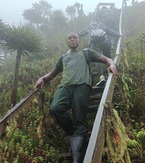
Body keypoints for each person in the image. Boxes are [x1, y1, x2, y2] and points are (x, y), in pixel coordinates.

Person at [34, 32, 118, 163]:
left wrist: (111, 65)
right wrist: (42, 78)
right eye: (70, 38)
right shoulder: (63, 58)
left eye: (75, 38)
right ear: (67, 42)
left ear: (79, 41)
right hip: (65, 87)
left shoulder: (86, 52)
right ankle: (75, 132)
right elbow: (52, 74)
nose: (72, 39)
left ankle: (77, 156)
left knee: (80, 118)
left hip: (82, 86)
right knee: (55, 108)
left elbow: (107, 59)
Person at [78, 19, 120, 86]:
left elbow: (80, 34)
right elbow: (109, 31)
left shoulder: (89, 27)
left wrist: (73, 37)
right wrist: (118, 35)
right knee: (108, 57)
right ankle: (112, 69)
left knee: (97, 59)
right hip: (104, 42)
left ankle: (101, 77)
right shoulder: (101, 24)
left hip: (94, 43)